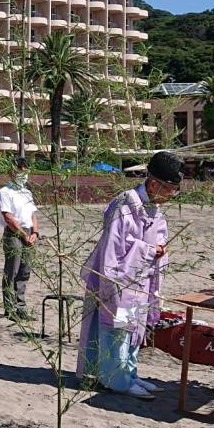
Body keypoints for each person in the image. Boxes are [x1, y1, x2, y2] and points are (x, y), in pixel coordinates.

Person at [77, 151, 182, 400]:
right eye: (169, 189)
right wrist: (147, 251)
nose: (171, 195)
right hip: (118, 279)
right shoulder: (125, 204)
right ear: (154, 183)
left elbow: (157, 237)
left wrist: (159, 250)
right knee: (117, 328)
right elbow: (113, 248)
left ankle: (130, 372)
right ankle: (117, 380)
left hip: (141, 279)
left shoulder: (154, 207)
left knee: (135, 328)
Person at [0, 158, 39, 321]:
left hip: (28, 233)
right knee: (12, 270)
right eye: (20, 171)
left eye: (25, 171)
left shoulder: (26, 192)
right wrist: (23, 235)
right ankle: (10, 308)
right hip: (14, 233)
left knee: (24, 271)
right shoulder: (4, 192)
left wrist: (35, 232)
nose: (24, 174)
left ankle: (21, 307)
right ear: (12, 172)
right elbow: (8, 217)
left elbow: (33, 215)